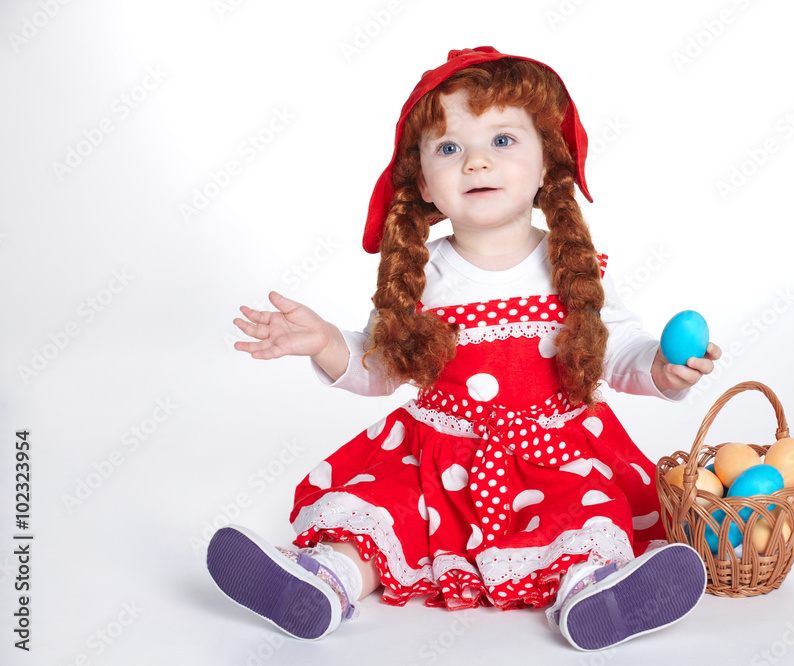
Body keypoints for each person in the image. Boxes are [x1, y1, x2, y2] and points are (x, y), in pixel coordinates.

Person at [207, 46, 721, 652]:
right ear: (424, 182)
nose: (476, 161)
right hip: (437, 461)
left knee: (582, 515)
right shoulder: (419, 276)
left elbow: (616, 349)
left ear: (546, 162)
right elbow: (381, 368)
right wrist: (325, 342)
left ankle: (592, 591)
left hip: (551, 455)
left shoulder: (572, 268)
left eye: (503, 140)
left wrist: (658, 366)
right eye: (449, 148)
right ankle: (328, 580)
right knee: (387, 508)